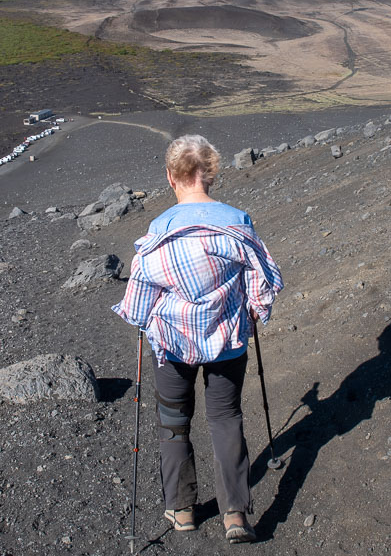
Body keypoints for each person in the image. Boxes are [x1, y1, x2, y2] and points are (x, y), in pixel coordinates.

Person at [112, 134, 283, 544]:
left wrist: (142, 319)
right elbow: (261, 282)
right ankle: (235, 515)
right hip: (228, 340)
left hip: (173, 344)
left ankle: (183, 509)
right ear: (211, 173)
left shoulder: (159, 232)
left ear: (171, 177)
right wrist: (253, 311)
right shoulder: (237, 222)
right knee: (226, 418)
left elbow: (139, 300)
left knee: (174, 423)